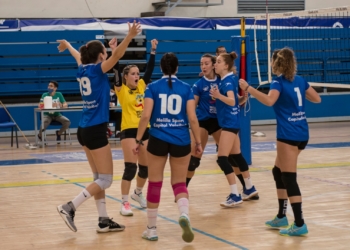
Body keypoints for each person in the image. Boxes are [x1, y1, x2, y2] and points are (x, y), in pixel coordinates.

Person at [56, 21, 141, 233]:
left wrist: (68, 45)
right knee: (106, 179)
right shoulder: (97, 69)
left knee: (98, 179)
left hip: (83, 130)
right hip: (95, 130)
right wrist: (129, 36)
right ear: (101, 56)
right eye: (104, 52)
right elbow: (118, 57)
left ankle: (103, 221)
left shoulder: (83, 68)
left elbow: (78, 55)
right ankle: (70, 206)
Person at [239, 47, 321, 236]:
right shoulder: (300, 81)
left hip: (288, 135)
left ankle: (299, 223)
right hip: (302, 134)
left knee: (289, 177)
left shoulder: (278, 82)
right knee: (277, 171)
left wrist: (248, 89)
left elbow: (269, 101)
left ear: (277, 63)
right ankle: (281, 216)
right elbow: (317, 98)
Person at [133, 52, 202, 242]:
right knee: (179, 182)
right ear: (177, 68)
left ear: (161, 68)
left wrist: (138, 140)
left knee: (155, 182)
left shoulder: (152, 88)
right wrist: (198, 142)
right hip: (181, 139)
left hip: (158, 138)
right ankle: (184, 214)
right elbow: (193, 118)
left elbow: (145, 116)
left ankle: (152, 229)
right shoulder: (187, 88)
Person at [115, 39, 158, 216]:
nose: (136, 76)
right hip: (129, 132)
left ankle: (137, 193)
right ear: (126, 77)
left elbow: (149, 70)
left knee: (145, 169)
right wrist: (114, 52)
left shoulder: (142, 85)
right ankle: (124, 202)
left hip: (145, 130)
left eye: (137, 73)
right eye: (133, 74)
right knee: (130, 168)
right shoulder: (121, 90)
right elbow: (115, 73)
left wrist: (153, 50)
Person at [210, 51, 258, 207]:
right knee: (236, 156)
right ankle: (249, 187)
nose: (215, 64)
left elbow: (230, 100)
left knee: (222, 159)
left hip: (229, 124)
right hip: (232, 122)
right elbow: (235, 100)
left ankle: (235, 194)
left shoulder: (227, 81)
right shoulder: (228, 79)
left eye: (217, 61)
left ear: (226, 65)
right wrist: (242, 99)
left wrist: (218, 96)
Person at [186, 54, 221, 186]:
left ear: (213, 65)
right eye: (201, 64)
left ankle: (245, 187)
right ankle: (183, 188)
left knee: (230, 157)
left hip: (219, 121)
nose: (203, 66)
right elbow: (192, 107)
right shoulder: (198, 85)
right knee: (193, 160)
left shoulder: (222, 81)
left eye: (206, 63)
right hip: (203, 121)